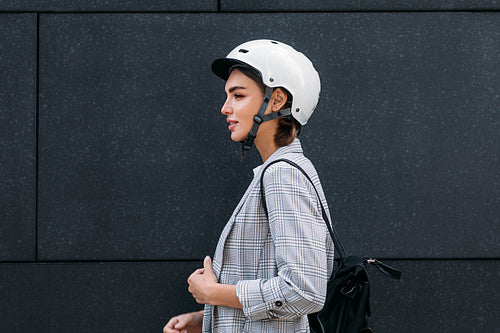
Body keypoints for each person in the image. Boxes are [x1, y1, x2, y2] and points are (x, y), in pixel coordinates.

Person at [164, 39, 334, 333]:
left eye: (238, 95)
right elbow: (275, 292)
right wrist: (204, 318)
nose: (225, 108)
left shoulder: (283, 176)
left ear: (277, 101)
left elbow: (305, 291)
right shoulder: (276, 172)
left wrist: (212, 293)